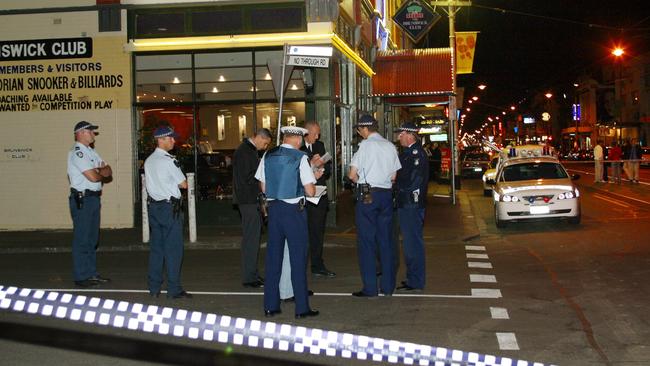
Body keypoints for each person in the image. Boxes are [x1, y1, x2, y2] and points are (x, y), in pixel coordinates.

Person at [255, 125, 321, 319]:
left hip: (274, 210)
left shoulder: (268, 155)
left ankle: (270, 306)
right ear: (298, 139)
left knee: (273, 259)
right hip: (294, 212)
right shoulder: (300, 158)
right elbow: (309, 191)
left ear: (285, 138)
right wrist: (312, 181)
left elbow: (263, 184)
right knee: (298, 259)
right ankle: (301, 308)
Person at [348, 114, 401, 298]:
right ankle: (388, 287)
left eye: (359, 130)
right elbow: (394, 176)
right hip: (386, 196)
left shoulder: (364, 147)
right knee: (386, 241)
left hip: (367, 196)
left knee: (367, 242)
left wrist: (361, 181)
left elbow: (352, 175)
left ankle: (370, 288)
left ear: (364, 129)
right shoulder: (390, 146)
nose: (359, 133)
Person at [144, 126, 192, 299]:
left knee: (157, 249)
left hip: (154, 207)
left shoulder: (149, 160)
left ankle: (154, 287)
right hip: (170, 208)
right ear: (161, 140)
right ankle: (174, 289)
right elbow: (183, 184)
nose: (174, 141)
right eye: (170, 138)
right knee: (173, 250)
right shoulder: (168, 160)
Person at [67, 121, 113, 287]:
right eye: (91, 131)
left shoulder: (91, 152)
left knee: (92, 239)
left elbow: (108, 170)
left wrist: (99, 171)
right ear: (80, 133)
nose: (94, 134)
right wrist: (100, 171)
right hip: (83, 199)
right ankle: (81, 276)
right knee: (83, 239)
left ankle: (91, 273)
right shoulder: (78, 153)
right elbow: (93, 177)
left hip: (93, 198)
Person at [232, 128, 272, 288]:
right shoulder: (245, 152)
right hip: (248, 200)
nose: (265, 147)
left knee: (253, 238)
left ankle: (252, 274)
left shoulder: (247, 151)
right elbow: (248, 177)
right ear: (258, 137)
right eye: (265, 143)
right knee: (251, 239)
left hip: (248, 200)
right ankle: (249, 277)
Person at [394, 123, 429, 292]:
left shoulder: (416, 155)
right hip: (406, 204)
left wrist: (395, 185)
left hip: (411, 204)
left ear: (410, 135)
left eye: (401, 134)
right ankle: (413, 278)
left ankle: (416, 280)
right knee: (409, 244)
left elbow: (413, 180)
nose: (399, 137)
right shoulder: (407, 153)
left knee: (412, 244)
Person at [300, 120, 336, 278]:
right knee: (300, 234)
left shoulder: (319, 146)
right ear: (306, 133)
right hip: (301, 197)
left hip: (318, 196)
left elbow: (328, 168)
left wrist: (321, 166)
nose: (318, 136)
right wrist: (310, 164)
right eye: (315, 133)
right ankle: (299, 265)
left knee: (317, 232)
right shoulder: (298, 147)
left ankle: (317, 264)